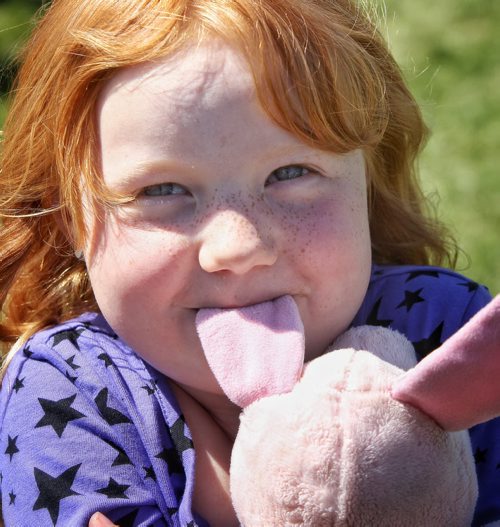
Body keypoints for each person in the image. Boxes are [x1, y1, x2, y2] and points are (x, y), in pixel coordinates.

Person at [0, 0, 497, 526]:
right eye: (161, 189)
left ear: (367, 180)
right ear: (69, 219)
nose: (238, 247)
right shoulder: (71, 387)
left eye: (290, 172)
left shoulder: (441, 331)